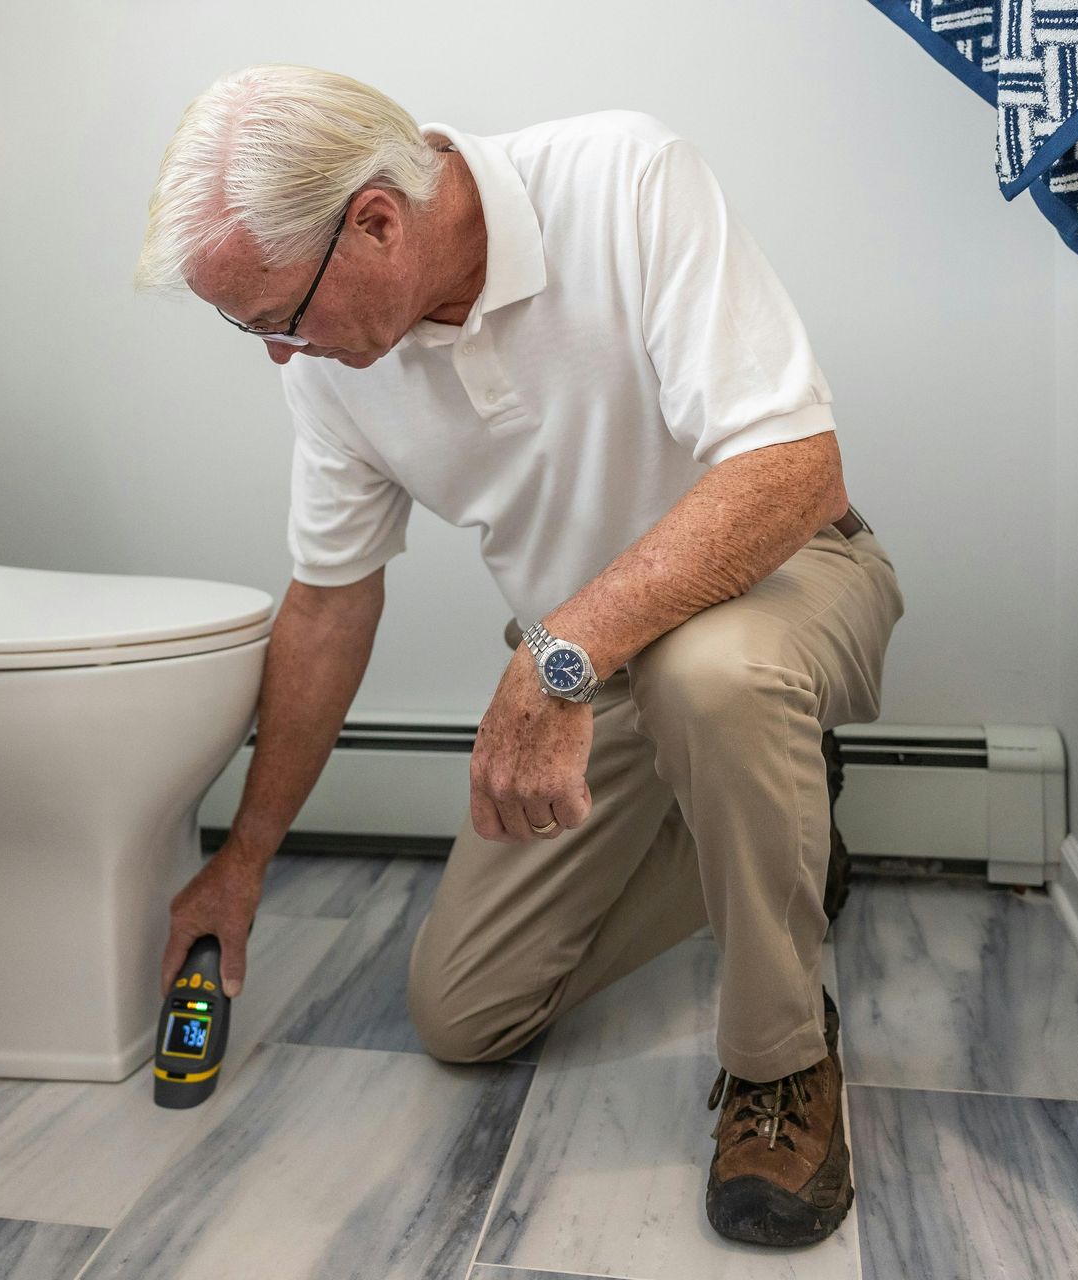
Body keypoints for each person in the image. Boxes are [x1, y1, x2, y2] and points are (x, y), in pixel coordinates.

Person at [133, 64, 903, 1248]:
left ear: (378, 221)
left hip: (783, 582)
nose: (278, 355)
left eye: (274, 316)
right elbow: (330, 604)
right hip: (589, 660)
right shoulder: (341, 370)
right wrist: (245, 855)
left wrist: (559, 653)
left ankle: (781, 1067)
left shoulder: (624, 179)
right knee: (464, 1011)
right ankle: (784, 826)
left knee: (714, 676)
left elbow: (795, 469)